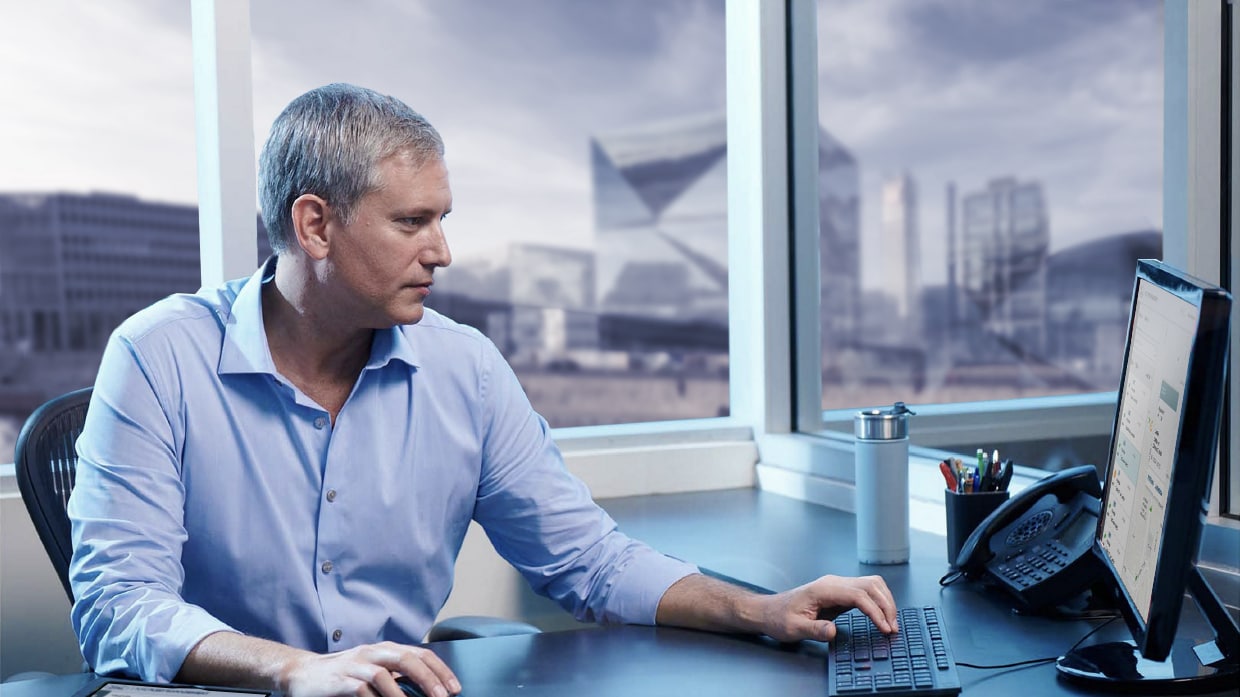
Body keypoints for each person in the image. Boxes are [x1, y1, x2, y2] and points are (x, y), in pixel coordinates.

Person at [67, 83, 898, 697]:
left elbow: (588, 561)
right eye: (410, 222)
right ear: (315, 224)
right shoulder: (157, 356)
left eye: (443, 218)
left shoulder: (463, 368)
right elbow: (117, 603)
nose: (442, 252)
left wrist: (760, 610)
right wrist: (292, 669)